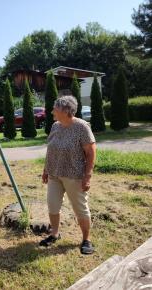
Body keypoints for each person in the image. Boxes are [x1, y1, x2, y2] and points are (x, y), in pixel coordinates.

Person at [40, 96, 96, 255]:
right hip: (54, 175)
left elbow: (91, 154)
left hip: (74, 176)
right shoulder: (56, 125)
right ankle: (55, 234)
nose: (51, 112)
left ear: (66, 112)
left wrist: (87, 176)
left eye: (54, 110)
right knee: (53, 205)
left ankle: (86, 239)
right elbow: (50, 150)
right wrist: (46, 170)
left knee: (80, 209)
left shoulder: (81, 127)